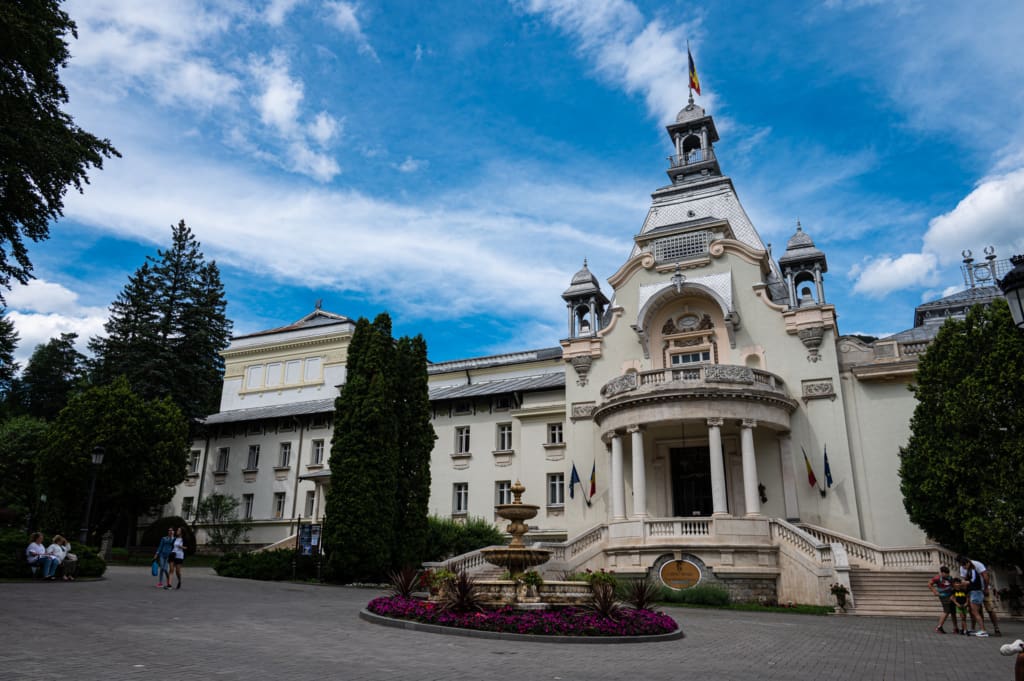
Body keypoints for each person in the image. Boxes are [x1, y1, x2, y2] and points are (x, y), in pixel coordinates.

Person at [957, 555, 989, 637]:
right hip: (974, 592)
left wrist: (965, 583)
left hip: (976, 592)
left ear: (968, 563)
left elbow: (973, 581)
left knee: (975, 612)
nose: (963, 567)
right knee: (974, 612)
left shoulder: (973, 571)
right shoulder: (970, 571)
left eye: (964, 565)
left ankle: (983, 630)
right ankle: (981, 629)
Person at [928, 566, 956, 633]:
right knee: (946, 611)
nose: (947, 575)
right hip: (944, 596)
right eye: (946, 573)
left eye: (948, 573)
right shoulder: (937, 578)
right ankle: (939, 627)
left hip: (951, 595)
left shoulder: (950, 578)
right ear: (942, 573)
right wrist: (934, 591)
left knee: (953, 612)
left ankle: (955, 628)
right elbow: (929, 584)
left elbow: (953, 585)